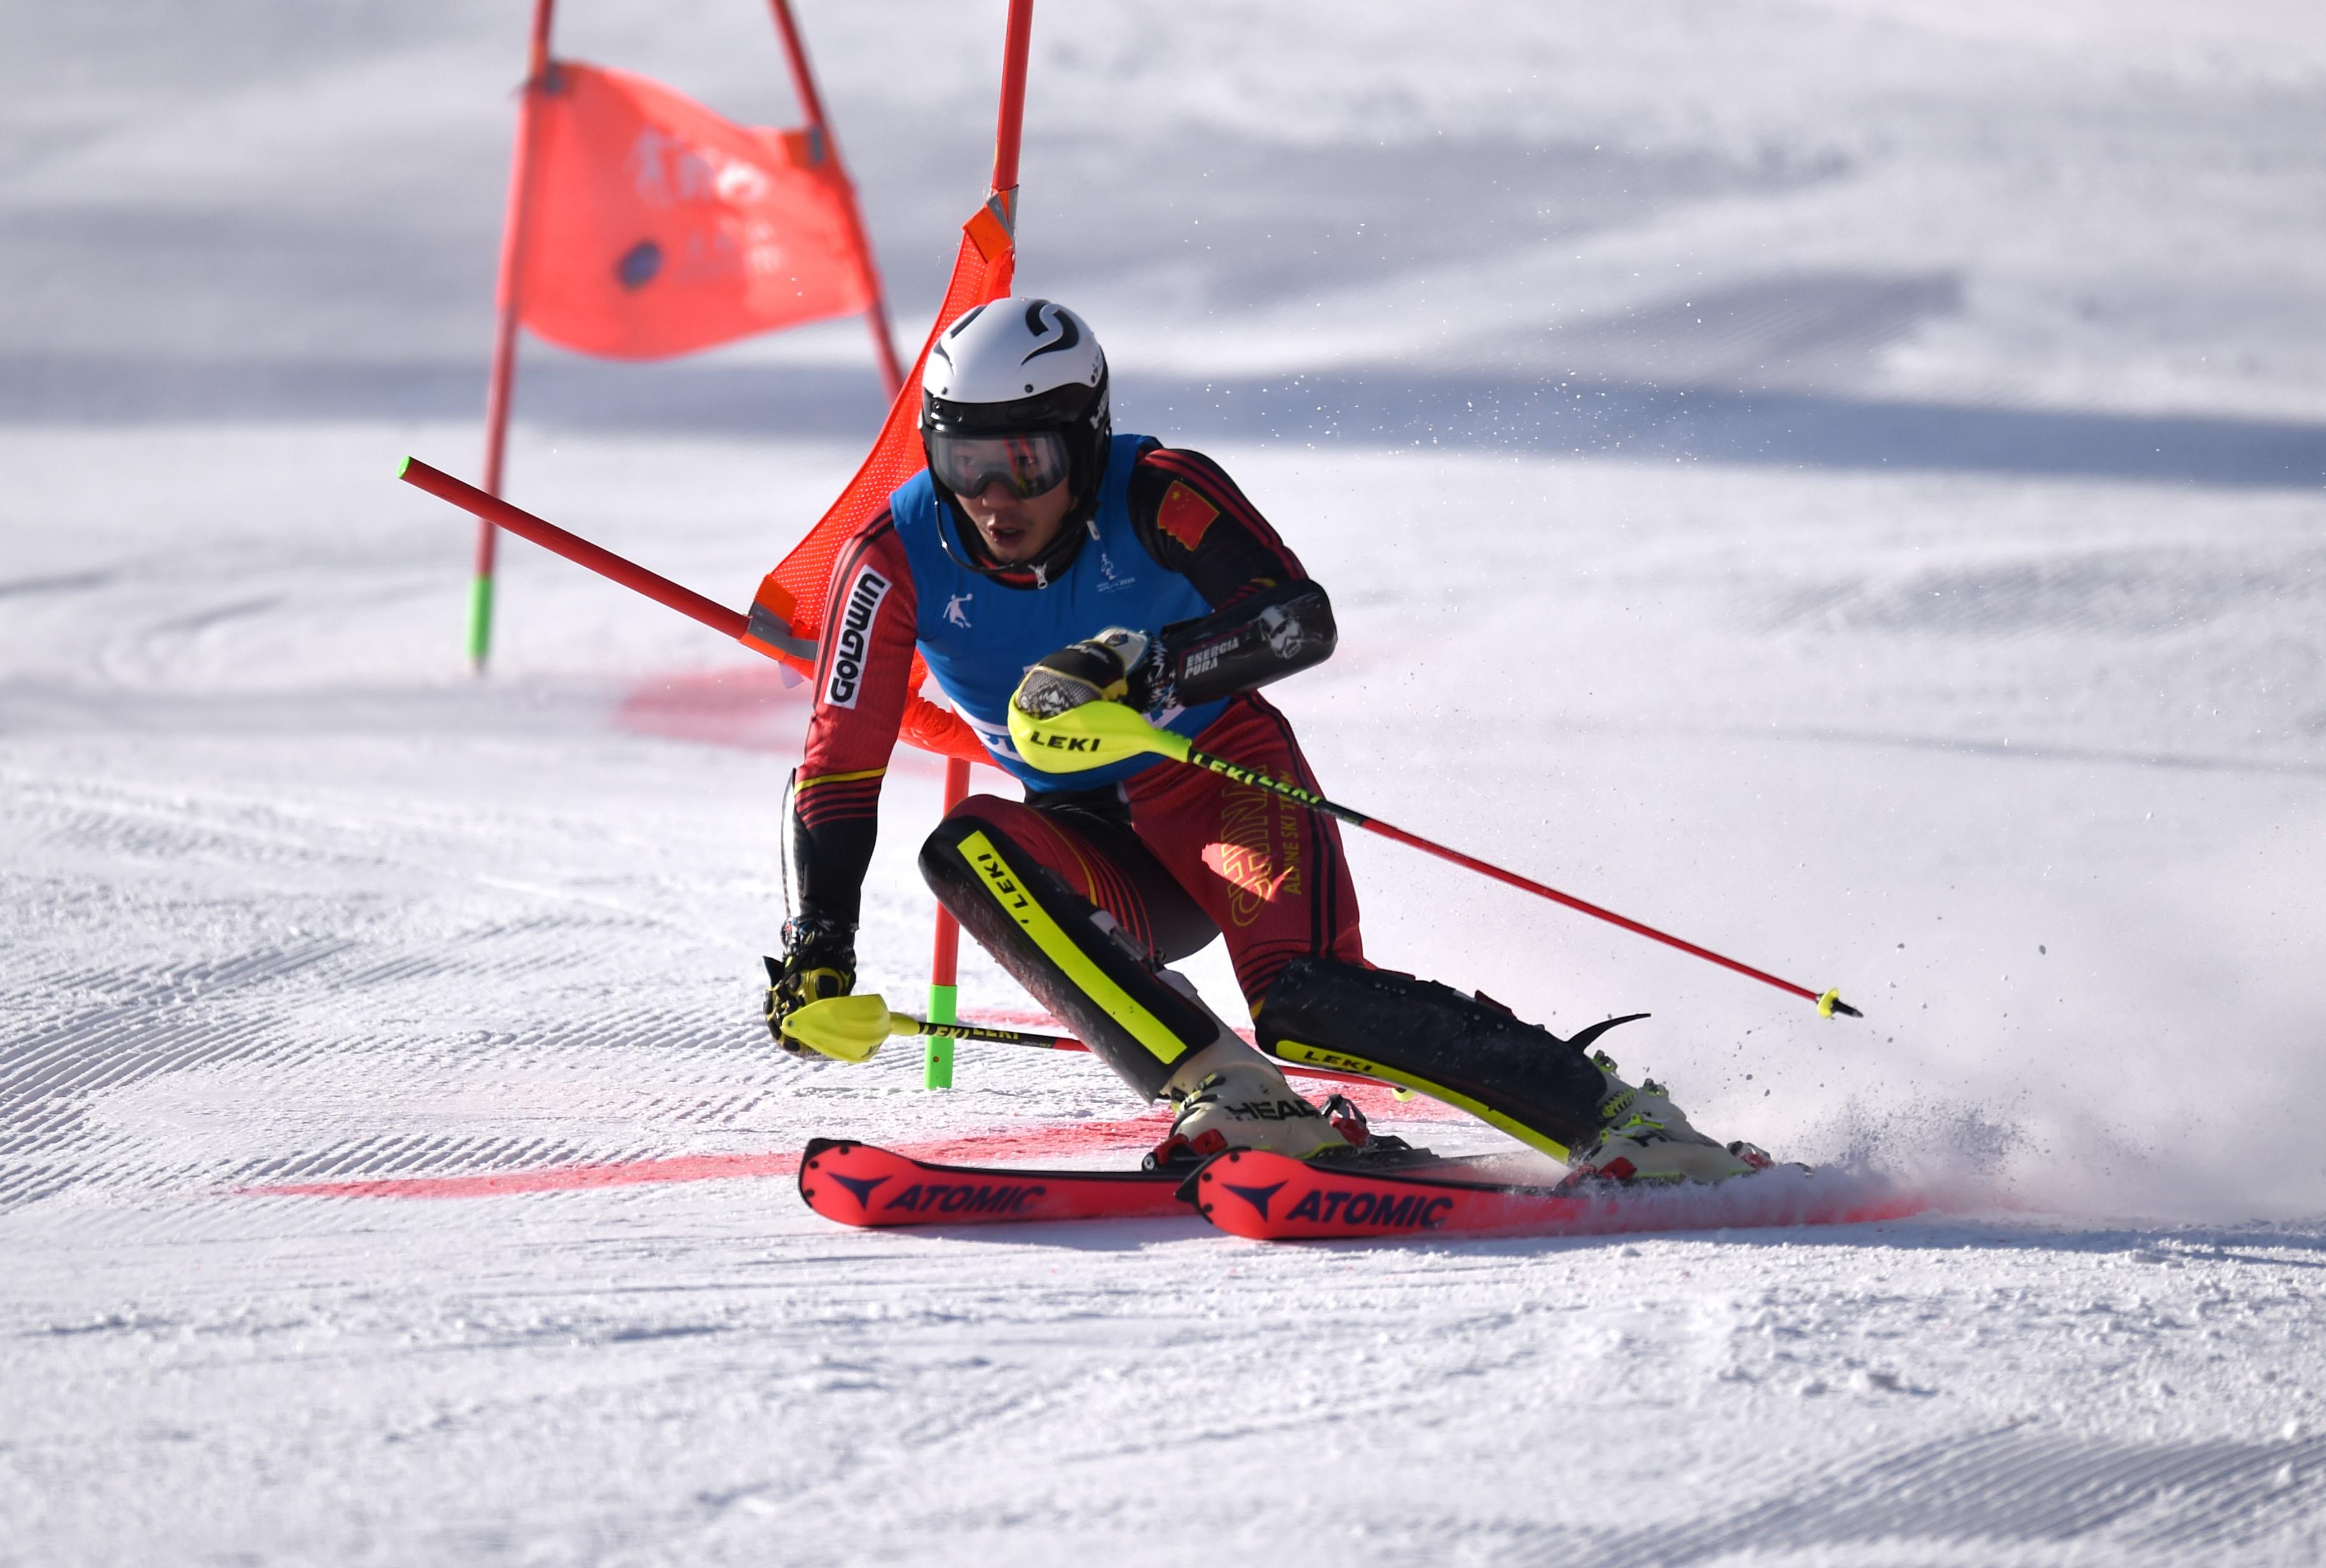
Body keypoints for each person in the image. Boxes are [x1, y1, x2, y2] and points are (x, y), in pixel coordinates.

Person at [764, 297, 1764, 1183]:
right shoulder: (891, 557)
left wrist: (1146, 666)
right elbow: (838, 767)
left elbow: (1297, 618)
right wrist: (820, 944)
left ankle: (1620, 1116)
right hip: (1092, 841)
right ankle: (1231, 1090)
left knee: (1309, 1007)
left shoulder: (1158, 489)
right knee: (963, 849)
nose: (994, 498)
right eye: (964, 463)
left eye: (1028, 460)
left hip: (1221, 779)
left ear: (1087, 435)